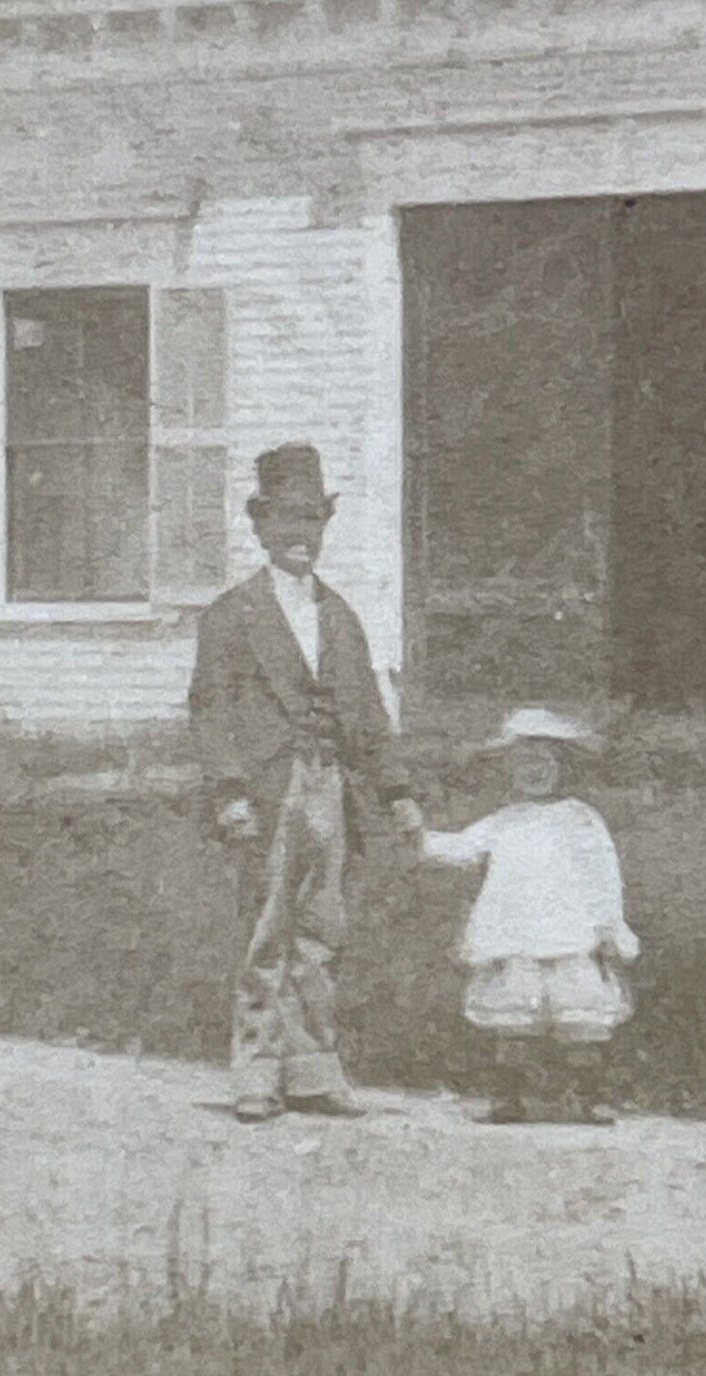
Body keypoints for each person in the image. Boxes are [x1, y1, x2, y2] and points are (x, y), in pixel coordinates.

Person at [188, 442, 423, 1124]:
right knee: (266, 927)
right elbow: (211, 710)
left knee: (322, 928)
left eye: (313, 521)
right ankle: (256, 1071)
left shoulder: (339, 616)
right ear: (259, 526)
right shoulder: (232, 614)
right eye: (287, 520)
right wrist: (229, 791)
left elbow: (368, 715)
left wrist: (395, 791)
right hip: (267, 787)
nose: (301, 536)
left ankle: (313, 1068)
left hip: (330, 787)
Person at [418, 708, 640, 1124]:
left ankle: (589, 1096)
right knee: (514, 1018)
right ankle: (507, 1097)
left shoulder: (581, 818)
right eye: (524, 763)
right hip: (516, 931)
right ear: (510, 771)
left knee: (580, 1018)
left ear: (563, 768)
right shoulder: (504, 822)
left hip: (569, 932)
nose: (534, 772)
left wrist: (610, 923)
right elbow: (463, 847)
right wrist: (417, 837)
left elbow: (604, 874)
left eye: (544, 763)